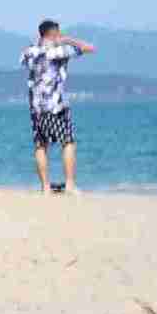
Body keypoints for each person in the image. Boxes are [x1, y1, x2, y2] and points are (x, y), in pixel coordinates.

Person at [21, 19, 94, 193]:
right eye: (58, 33)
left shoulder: (30, 52)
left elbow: (25, 56)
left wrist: (41, 42)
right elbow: (89, 48)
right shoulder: (59, 51)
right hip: (56, 106)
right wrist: (67, 39)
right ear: (54, 34)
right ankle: (69, 184)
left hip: (36, 108)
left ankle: (45, 187)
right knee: (68, 142)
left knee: (40, 145)